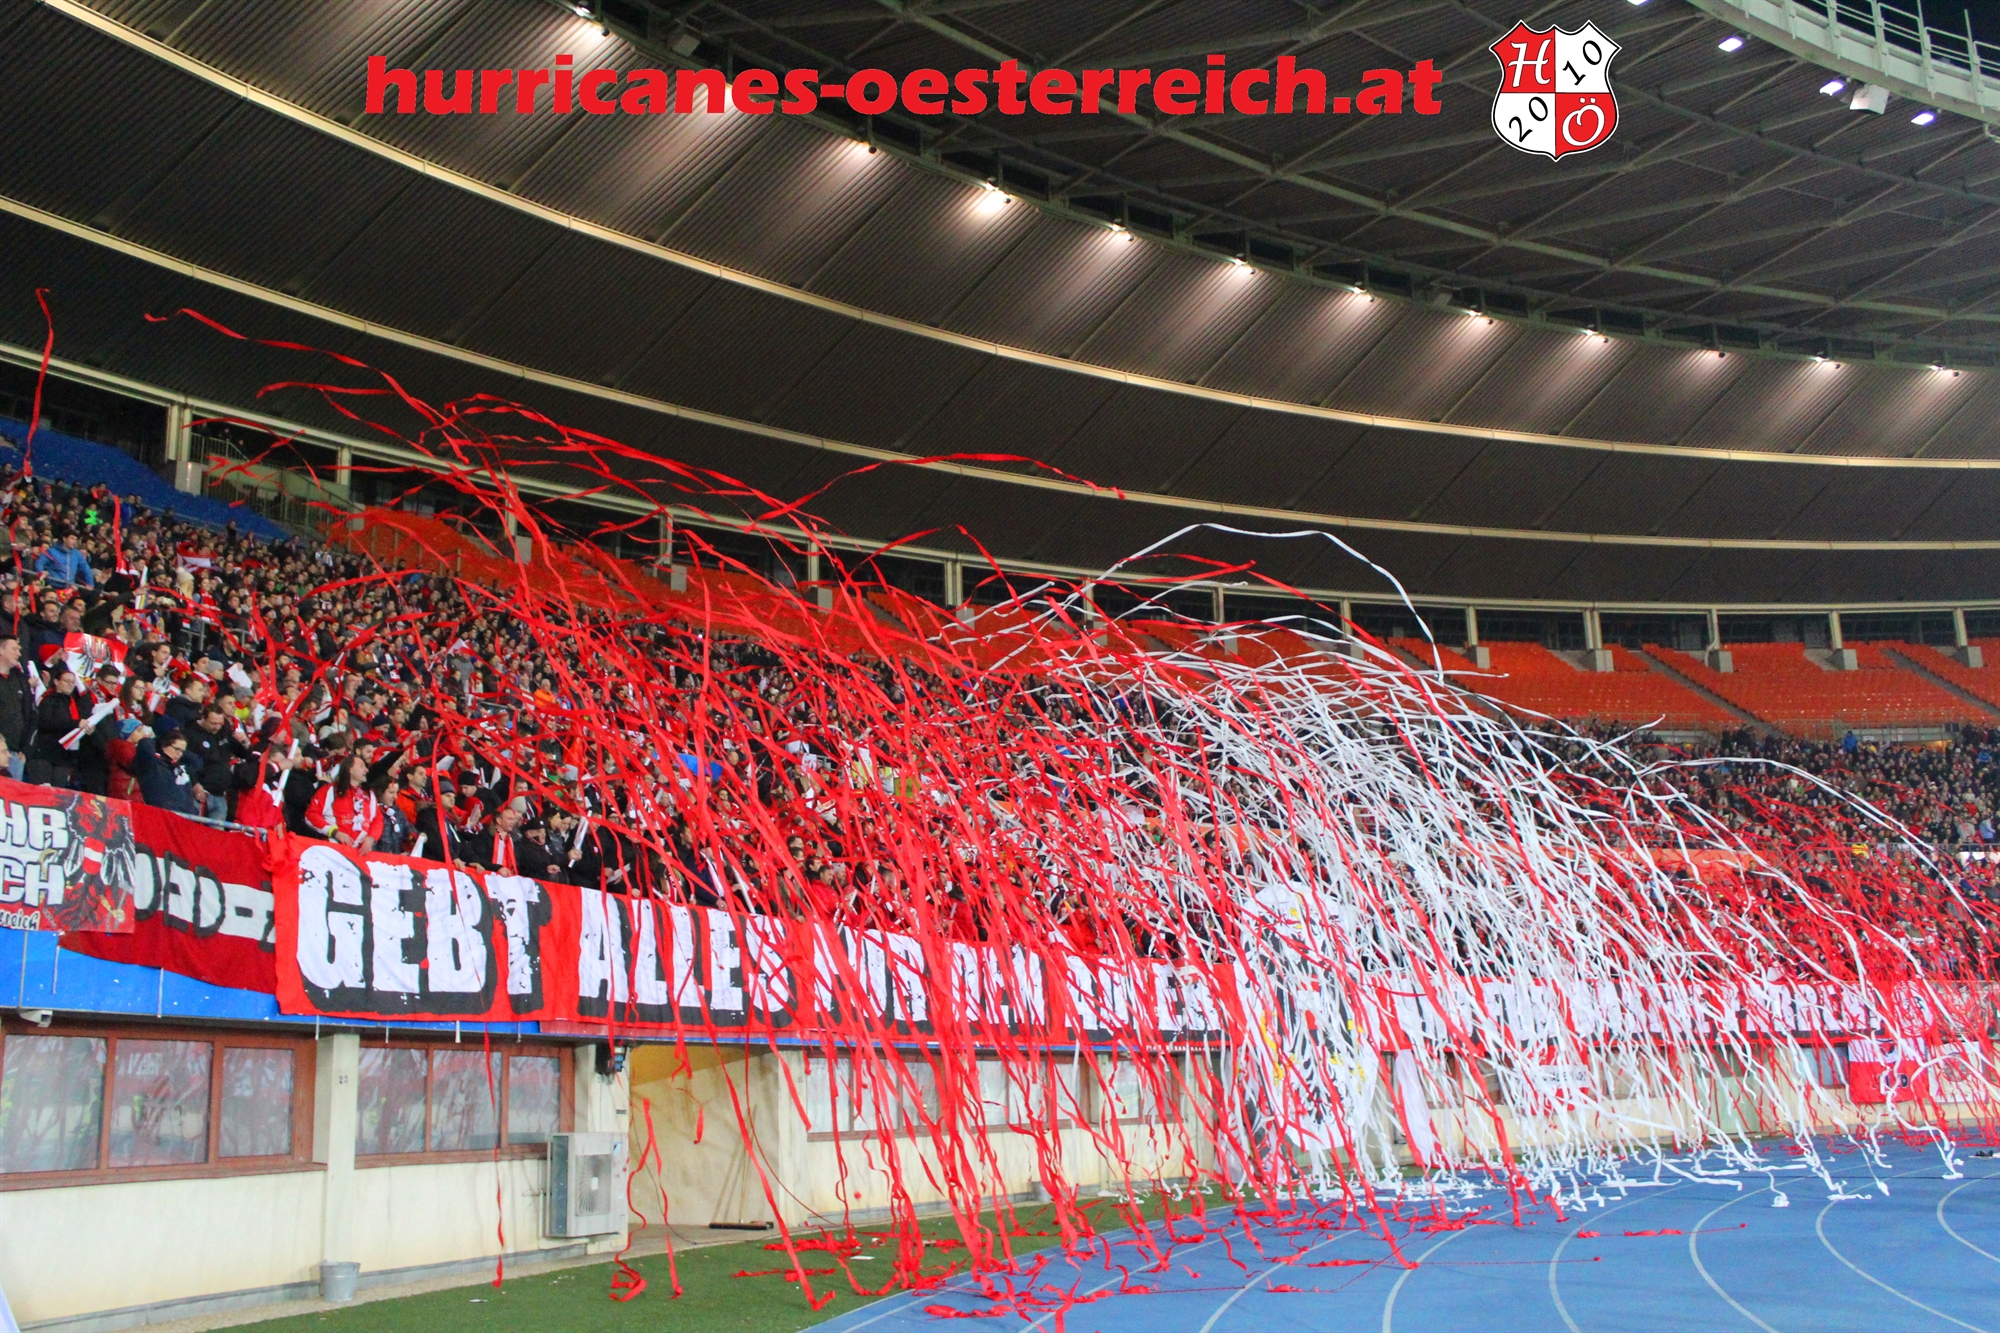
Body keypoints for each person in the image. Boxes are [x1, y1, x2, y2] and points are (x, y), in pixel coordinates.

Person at [306, 754, 382, 849]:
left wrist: (371, 837)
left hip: (361, 853)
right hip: (334, 849)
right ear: (350, 769)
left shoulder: (369, 794)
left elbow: (377, 819)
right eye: (362, 766)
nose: (366, 770)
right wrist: (335, 833)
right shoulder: (330, 790)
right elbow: (311, 815)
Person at [28, 664, 83, 789]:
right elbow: (46, 722)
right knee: (42, 792)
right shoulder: (48, 700)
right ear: (56, 682)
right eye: (67, 681)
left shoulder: (72, 704)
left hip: (62, 756)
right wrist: (76, 723)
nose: (70, 684)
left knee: (58, 794)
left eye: (73, 682)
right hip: (44, 753)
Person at [131, 727, 199, 815]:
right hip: (164, 815)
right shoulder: (152, 764)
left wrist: (179, 748)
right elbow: (144, 744)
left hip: (186, 816)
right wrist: (159, 740)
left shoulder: (178, 766)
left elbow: (196, 761)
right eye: (177, 749)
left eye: (182, 751)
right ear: (164, 746)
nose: (180, 754)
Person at [0, 636, 31, 780]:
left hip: (15, 753)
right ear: (1, 650)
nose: (18, 653)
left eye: (19, 650)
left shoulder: (21, 680)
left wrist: (26, 748)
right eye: (14, 649)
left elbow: (31, 714)